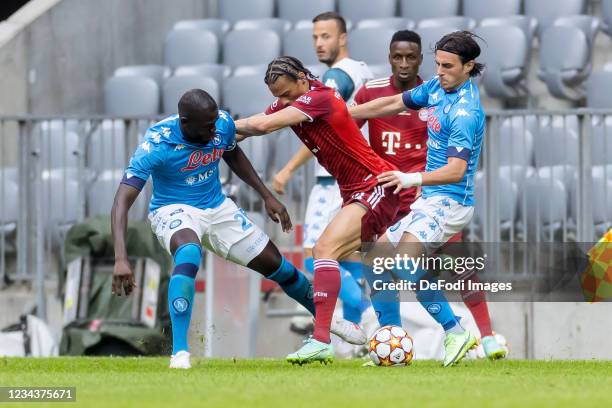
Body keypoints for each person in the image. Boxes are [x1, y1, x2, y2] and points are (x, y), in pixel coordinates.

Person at [110, 89, 365, 370]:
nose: (214, 128)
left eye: (215, 122)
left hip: (218, 208)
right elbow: (122, 201)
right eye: (207, 126)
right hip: (173, 209)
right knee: (189, 253)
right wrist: (121, 258)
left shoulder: (220, 123)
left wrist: (265, 195)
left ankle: (327, 319)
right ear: (185, 122)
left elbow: (233, 154)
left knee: (280, 267)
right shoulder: (156, 144)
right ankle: (180, 353)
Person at [235, 56, 402, 365]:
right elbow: (252, 127)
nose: (284, 102)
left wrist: (221, 124)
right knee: (386, 263)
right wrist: (214, 138)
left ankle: (323, 338)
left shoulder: (319, 97)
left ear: (302, 78)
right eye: (279, 98)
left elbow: (262, 124)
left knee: (323, 249)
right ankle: (447, 331)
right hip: (356, 191)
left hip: (374, 184)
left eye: (287, 94)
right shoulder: (296, 98)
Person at [354, 30, 506, 360]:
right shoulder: (438, 87)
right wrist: (343, 115)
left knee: (410, 263)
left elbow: (455, 170)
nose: (439, 71)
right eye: (437, 64)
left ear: (469, 66)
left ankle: (458, 332)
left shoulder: (466, 112)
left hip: (450, 201)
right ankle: (389, 339)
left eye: (447, 66)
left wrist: (409, 178)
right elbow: (394, 102)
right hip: (429, 199)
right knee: (375, 259)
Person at [272, 12, 374, 336]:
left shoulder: (336, 77)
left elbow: (318, 125)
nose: (319, 43)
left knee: (313, 256)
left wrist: (287, 170)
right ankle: (355, 326)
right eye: (315, 37)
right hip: (356, 177)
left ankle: (365, 318)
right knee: (347, 258)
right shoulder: (361, 69)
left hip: (334, 181)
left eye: (326, 36)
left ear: (343, 38)